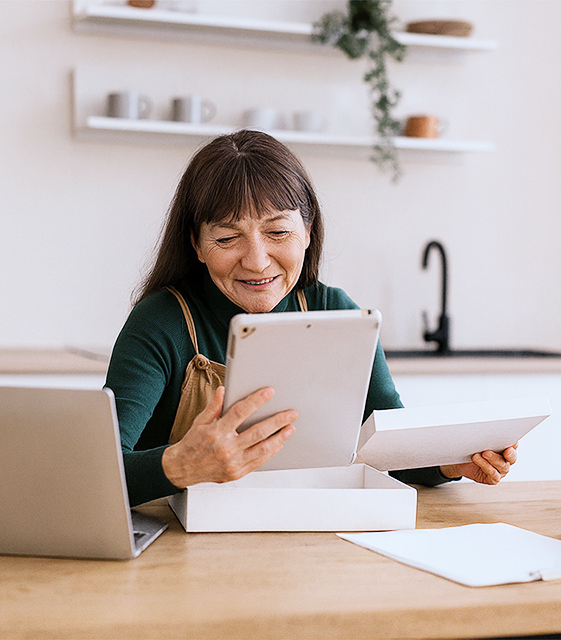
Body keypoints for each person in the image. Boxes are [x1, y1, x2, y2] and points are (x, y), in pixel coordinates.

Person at [105, 130, 517, 506]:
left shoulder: (336, 311)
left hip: (306, 538)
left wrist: (451, 463)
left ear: (307, 229)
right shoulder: (160, 322)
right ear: (196, 244)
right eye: (228, 238)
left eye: (278, 233)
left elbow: (389, 445)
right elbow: (99, 472)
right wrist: (179, 466)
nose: (257, 260)